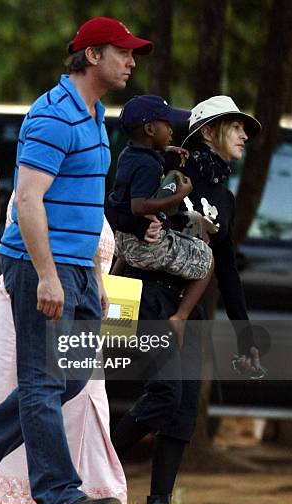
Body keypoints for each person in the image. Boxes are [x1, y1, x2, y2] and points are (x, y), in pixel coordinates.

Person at [0, 17, 152, 504]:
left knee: (72, 376)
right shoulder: (52, 115)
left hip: (77, 268)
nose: (131, 61)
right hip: (41, 266)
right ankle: (56, 490)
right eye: (123, 52)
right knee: (41, 381)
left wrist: (95, 278)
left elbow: (81, 204)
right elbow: (29, 201)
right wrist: (49, 276)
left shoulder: (96, 115)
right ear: (93, 55)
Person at [110, 95, 263, 504]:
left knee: (183, 408)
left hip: (190, 305)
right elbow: (128, 221)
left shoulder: (226, 199)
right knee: (163, 392)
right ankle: (93, 470)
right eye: (236, 126)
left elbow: (226, 270)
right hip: (151, 294)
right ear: (208, 132)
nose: (245, 134)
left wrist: (243, 331)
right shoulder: (171, 169)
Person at [0, 197, 127, 504]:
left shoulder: (90, 186)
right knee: (15, 388)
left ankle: (89, 484)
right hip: (40, 299)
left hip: (86, 304)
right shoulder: (41, 181)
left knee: (82, 394)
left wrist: (99, 288)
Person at [107, 95, 214, 342]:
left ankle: (112, 310)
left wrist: (165, 151)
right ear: (149, 128)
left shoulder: (128, 154)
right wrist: (180, 195)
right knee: (206, 257)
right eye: (167, 124)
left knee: (127, 256)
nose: (172, 130)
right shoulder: (149, 166)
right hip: (145, 246)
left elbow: (137, 171)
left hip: (122, 241)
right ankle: (180, 317)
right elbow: (139, 206)